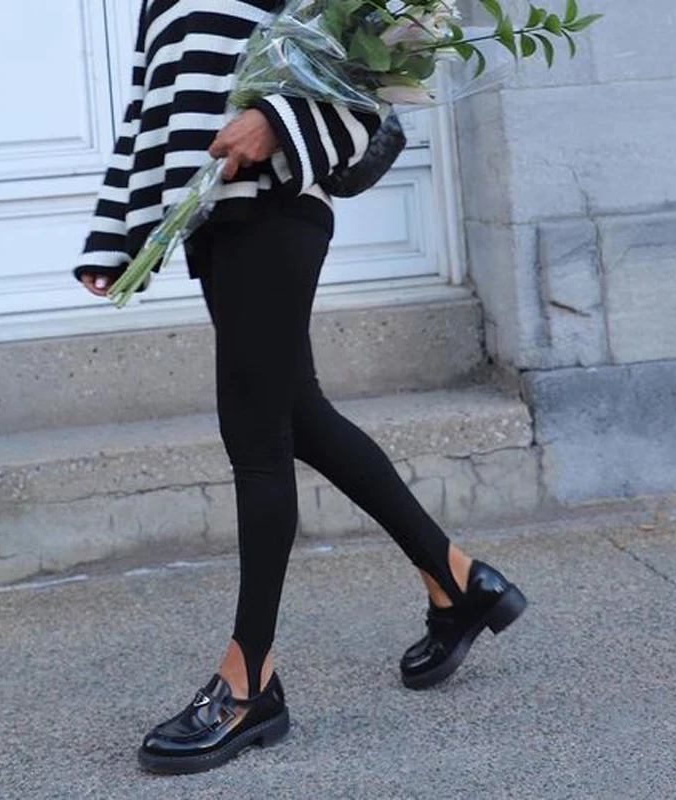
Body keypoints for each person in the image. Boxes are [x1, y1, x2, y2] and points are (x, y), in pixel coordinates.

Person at [74, 0, 526, 776]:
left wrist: (278, 122)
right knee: (300, 415)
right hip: (215, 218)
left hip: (275, 206)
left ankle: (249, 683)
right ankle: (460, 583)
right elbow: (152, 100)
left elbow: (366, 62)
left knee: (256, 436)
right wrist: (117, 232)